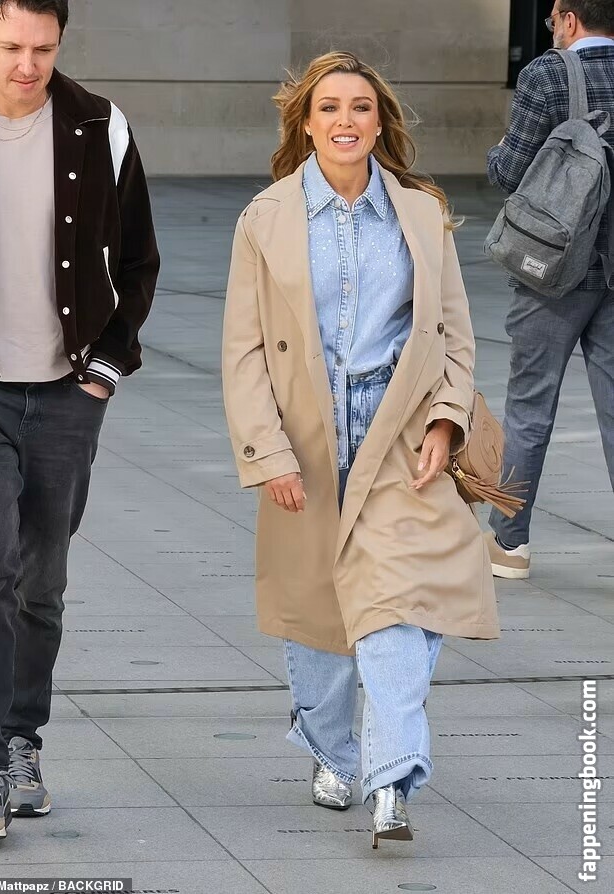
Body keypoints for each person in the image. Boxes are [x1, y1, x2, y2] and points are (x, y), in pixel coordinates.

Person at [222, 51, 499, 849]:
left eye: (361, 107)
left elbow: (454, 334)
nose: (346, 120)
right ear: (306, 124)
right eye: (330, 107)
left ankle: (392, 777)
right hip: (306, 436)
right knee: (316, 606)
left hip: (398, 433)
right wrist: (268, 451)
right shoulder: (265, 218)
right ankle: (333, 752)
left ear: (381, 124)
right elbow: (244, 349)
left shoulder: (420, 212)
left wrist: (445, 422)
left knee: (399, 603)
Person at [0, 0, 159, 841]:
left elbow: (139, 257)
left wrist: (103, 370)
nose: (28, 65)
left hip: (65, 392)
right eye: (12, 46)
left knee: (39, 585)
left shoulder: (98, 126)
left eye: (43, 48)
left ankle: (22, 740)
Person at [485, 0, 614, 580]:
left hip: (552, 273)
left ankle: (510, 543)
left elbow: (510, 172)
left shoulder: (548, 74)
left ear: (568, 19)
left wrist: (498, 152)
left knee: (530, 408)